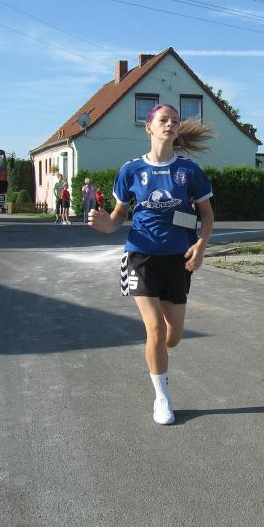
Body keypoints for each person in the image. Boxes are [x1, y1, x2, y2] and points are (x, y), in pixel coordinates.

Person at [88, 104, 214, 426]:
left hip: (177, 259)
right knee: (155, 328)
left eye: (175, 121)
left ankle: (158, 350)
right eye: (163, 120)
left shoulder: (189, 170)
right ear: (149, 127)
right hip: (140, 255)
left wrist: (200, 245)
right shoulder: (131, 170)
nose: (170, 124)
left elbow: (207, 214)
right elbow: (118, 216)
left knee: (173, 337)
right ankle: (162, 397)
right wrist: (105, 224)